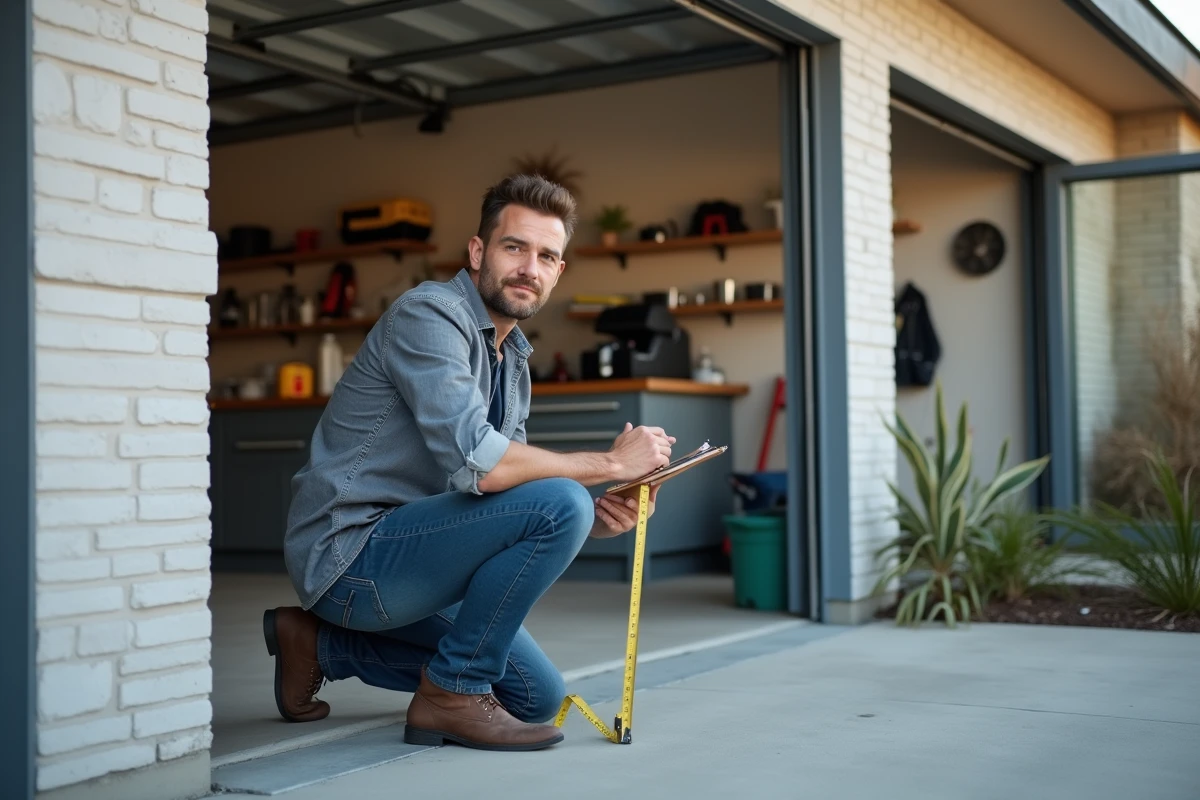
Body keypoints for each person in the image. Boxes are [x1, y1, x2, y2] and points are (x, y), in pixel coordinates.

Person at [264, 174, 676, 752]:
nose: (529, 268)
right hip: (349, 557)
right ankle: (451, 693)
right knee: (561, 501)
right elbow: (484, 467)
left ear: (559, 272)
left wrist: (598, 515)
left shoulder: (513, 360)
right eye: (514, 247)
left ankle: (319, 647)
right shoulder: (428, 315)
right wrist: (608, 463)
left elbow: (513, 496)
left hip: (418, 553)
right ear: (478, 251)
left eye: (546, 256)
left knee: (534, 696)